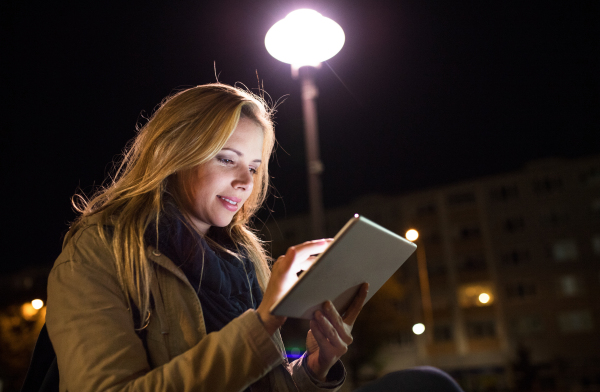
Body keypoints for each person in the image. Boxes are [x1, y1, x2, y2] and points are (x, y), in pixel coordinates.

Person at [46, 83, 464, 392]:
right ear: (174, 152)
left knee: (426, 383)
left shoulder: (243, 257)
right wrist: (262, 324)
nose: (246, 180)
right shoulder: (99, 250)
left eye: (255, 165)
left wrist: (314, 368)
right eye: (227, 158)